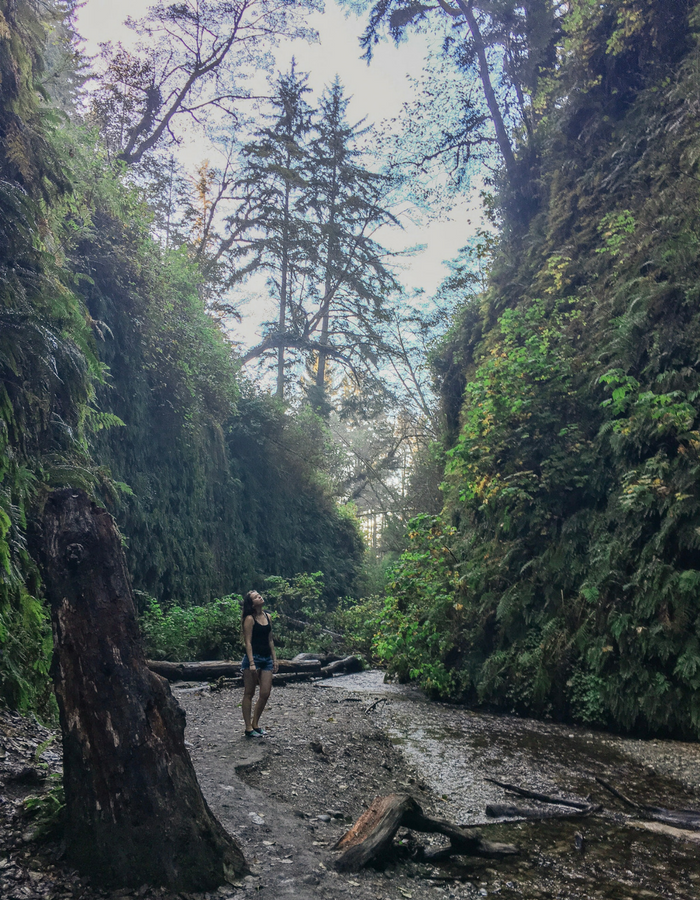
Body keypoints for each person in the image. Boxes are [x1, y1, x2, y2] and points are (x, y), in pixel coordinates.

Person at [240, 590, 279, 738]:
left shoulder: (268, 617)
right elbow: (248, 642)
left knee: (265, 693)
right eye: (256, 597)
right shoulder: (249, 619)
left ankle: (255, 723)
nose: (259, 597)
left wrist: (275, 659)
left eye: (259, 595)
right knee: (249, 693)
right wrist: (251, 663)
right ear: (252, 603)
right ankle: (248, 728)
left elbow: (270, 640)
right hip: (253, 658)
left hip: (266, 659)